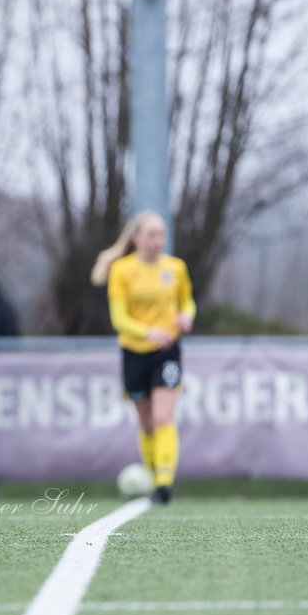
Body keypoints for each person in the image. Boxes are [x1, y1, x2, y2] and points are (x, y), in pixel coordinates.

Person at [91, 211, 195, 505]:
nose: (158, 241)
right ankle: (152, 474)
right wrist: (147, 332)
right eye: (152, 234)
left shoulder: (176, 268)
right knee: (147, 423)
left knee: (163, 416)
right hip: (134, 353)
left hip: (167, 352)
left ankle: (164, 482)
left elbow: (187, 301)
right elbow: (119, 318)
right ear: (136, 238)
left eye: (161, 234)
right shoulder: (122, 271)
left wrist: (187, 316)